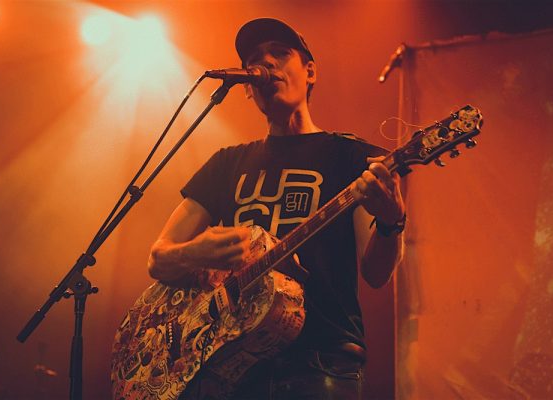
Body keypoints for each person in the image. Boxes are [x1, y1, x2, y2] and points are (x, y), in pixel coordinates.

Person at [147, 18, 405, 400]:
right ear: (246, 88)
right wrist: (194, 252)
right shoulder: (226, 164)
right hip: (230, 370)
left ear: (310, 71)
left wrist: (391, 221)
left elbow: (377, 274)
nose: (266, 63)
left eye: (280, 53)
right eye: (255, 58)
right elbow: (159, 259)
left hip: (321, 365)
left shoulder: (353, 156)